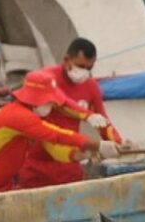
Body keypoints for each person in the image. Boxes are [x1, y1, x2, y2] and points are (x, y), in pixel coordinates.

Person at [0, 72, 120, 196]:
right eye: (50, 102)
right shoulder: (18, 117)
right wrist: (98, 145)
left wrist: (80, 154)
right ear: (37, 100)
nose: (52, 105)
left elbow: (53, 147)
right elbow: (56, 135)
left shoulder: (29, 117)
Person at [19, 38, 123, 189]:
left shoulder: (91, 86)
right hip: (36, 162)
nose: (84, 72)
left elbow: (103, 122)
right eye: (81, 66)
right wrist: (87, 115)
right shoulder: (46, 79)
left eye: (89, 68)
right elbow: (62, 104)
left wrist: (119, 144)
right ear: (67, 60)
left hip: (70, 161)